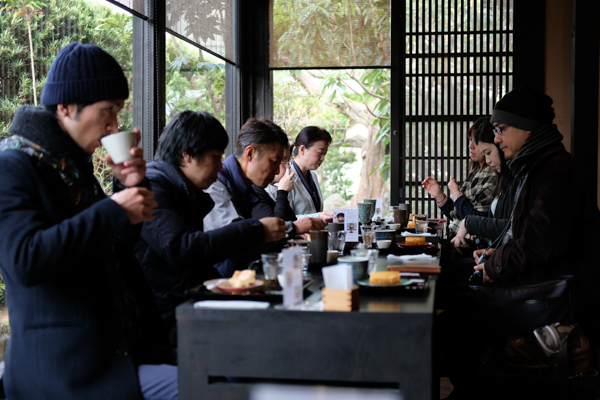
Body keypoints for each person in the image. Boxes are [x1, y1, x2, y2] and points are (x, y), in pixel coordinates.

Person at [0, 42, 177, 400]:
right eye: (107, 111)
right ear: (66, 107)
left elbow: (112, 245)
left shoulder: (68, 164)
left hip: (116, 353)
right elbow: (25, 259)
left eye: (118, 113)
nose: (114, 126)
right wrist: (114, 209)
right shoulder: (12, 165)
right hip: (68, 370)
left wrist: (130, 185)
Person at [440, 86, 600, 397]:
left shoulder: (553, 171)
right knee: (453, 294)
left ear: (526, 128)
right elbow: (527, 235)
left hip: (560, 293)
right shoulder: (537, 166)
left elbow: (537, 245)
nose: (496, 139)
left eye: (500, 130)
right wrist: (495, 254)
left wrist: (494, 267)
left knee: (457, 314)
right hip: (547, 279)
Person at [134, 111, 288, 346]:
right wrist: (257, 230)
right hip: (160, 322)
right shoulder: (154, 186)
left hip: (183, 306)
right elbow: (182, 248)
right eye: (215, 157)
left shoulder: (183, 190)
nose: (219, 168)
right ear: (187, 154)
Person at [204, 118, 310, 277]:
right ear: (250, 153)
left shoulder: (246, 188)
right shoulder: (215, 187)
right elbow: (235, 241)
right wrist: (291, 229)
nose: (276, 172)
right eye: (274, 162)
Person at [422, 117, 497, 234]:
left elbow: (477, 220)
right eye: (470, 140)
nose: (470, 146)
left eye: (475, 141)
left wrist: (456, 193)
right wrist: (440, 196)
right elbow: (457, 214)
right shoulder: (475, 173)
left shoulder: (492, 174)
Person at [450, 119, 515, 253]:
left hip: (499, 255)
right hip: (492, 252)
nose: (488, 160)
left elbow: (510, 227)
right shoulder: (481, 175)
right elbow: (457, 213)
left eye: (488, 152)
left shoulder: (498, 176)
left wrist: (471, 223)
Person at [252, 145, 325, 236]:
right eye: (282, 161)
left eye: (288, 161)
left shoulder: (268, 188)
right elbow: (277, 229)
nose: (288, 167)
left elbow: (291, 221)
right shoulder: (255, 191)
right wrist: (282, 192)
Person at [288, 126, 334, 223]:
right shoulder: (286, 177)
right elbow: (285, 218)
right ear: (302, 149)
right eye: (320, 152)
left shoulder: (313, 176)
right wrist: (319, 216)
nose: (322, 158)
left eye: (324, 154)